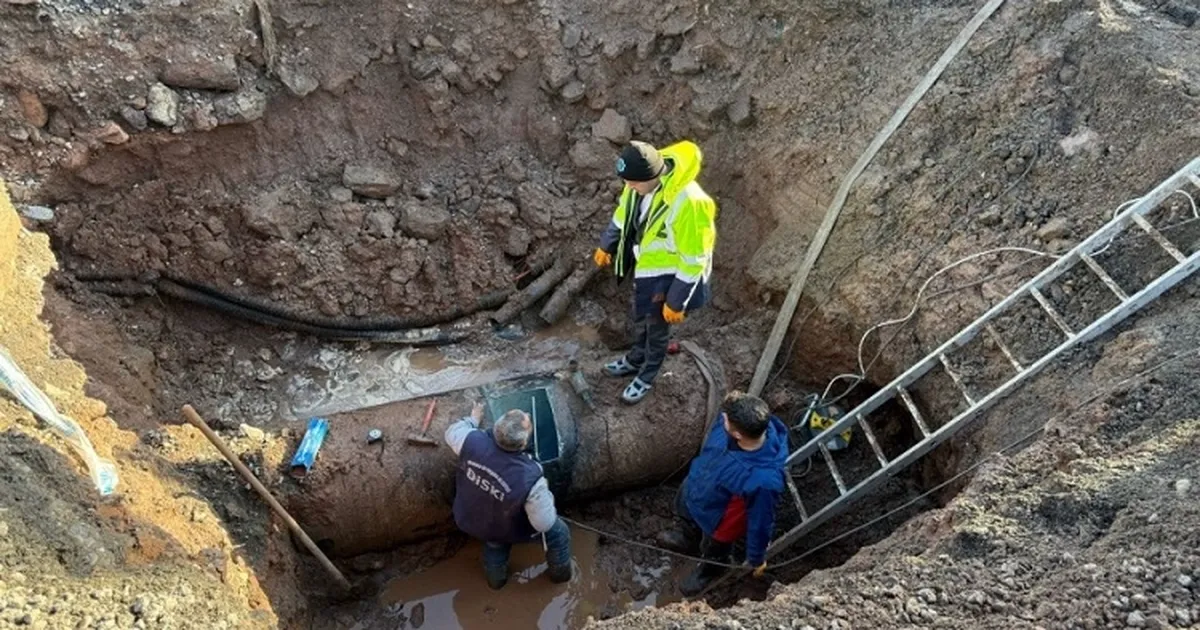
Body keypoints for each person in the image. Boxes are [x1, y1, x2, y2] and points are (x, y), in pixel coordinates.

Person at [593, 140, 718, 404]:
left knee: (657, 327)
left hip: (670, 277)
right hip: (647, 270)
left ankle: (647, 374)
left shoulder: (690, 203)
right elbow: (622, 213)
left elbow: (695, 258)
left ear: (653, 175)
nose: (628, 188)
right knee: (641, 316)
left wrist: (676, 300)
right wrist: (608, 243)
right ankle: (636, 357)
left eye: (633, 183)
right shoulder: (637, 185)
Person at [655, 391, 789, 596]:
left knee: (715, 546)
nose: (722, 416)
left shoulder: (762, 480)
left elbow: (761, 520)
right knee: (685, 513)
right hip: (696, 486)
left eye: (726, 418)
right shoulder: (743, 424)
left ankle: (711, 569)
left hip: (719, 516)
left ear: (737, 434)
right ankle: (687, 537)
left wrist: (756, 556)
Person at [445, 402, 573, 589]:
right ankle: (561, 578)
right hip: (504, 526)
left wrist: (473, 420)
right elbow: (543, 523)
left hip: (471, 516)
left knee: (495, 544)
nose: (528, 414)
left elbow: (451, 432)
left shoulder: (471, 441)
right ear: (523, 444)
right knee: (558, 533)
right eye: (527, 421)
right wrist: (546, 497)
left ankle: (496, 584)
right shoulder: (529, 477)